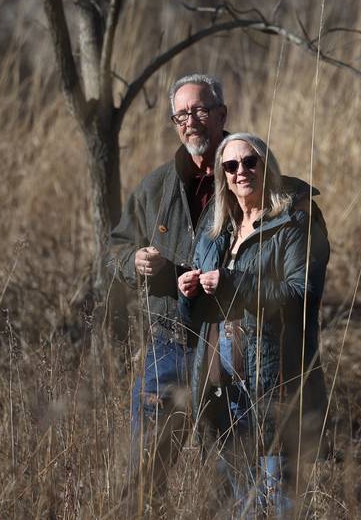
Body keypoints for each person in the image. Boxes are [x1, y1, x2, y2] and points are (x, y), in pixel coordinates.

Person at [177, 133, 330, 517]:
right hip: (220, 391)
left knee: (279, 498)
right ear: (222, 176)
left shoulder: (296, 220)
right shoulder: (217, 230)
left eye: (250, 162)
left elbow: (302, 296)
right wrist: (188, 292)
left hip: (273, 385)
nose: (241, 171)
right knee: (239, 504)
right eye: (230, 166)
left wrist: (236, 284)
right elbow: (193, 320)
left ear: (268, 166)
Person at [108, 73, 228, 499]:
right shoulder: (156, 186)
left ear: (220, 115)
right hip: (169, 343)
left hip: (229, 344)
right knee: (147, 467)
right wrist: (133, 261)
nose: (190, 121)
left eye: (199, 111)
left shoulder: (246, 170)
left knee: (229, 468)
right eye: (181, 114)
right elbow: (117, 247)